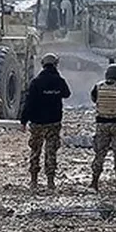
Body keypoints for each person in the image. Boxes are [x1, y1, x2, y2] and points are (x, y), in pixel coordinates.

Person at [20, 53, 71, 191]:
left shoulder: (36, 82)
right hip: (53, 122)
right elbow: (67, 94)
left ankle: (34, 181)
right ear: (55, 64)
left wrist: (23, 120)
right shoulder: (59, 81)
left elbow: (29, 103)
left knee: (35, 151)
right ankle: (50, 181)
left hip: (37, 123)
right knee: (51, 151)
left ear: (43, 64)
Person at [90, 63, 116, 190]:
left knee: (99, 153)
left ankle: (94, 182)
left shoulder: (98, 87)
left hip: (101, 123)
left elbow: (93, 99)